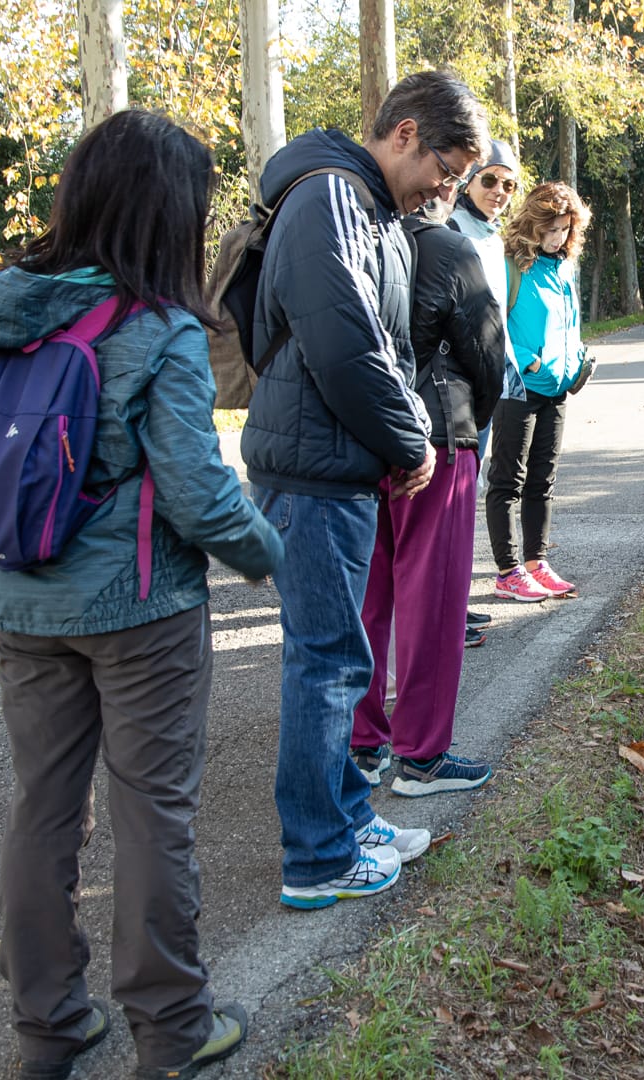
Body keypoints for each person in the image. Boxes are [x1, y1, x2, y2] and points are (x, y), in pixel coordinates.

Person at [0, 110, 282, 1080]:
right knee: (152, 817)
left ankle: (48, 1027)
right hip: (143, 613)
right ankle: (173, 1030)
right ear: (170, 213)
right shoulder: (162, 330)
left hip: (20, 599)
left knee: (44, 810)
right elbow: (198, 493)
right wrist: (276, 563)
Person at [241, 71, 491, 909]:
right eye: (448, 172)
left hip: (333, 467)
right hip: (311, 473)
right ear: (406, 133)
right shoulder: (330, 201)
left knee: (340, 658)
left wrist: (395, 435)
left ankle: (347, 817)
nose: (446, 192)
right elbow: (345, 344)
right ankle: (318, 857)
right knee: (327, 665)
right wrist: (409, 436)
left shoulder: (365, 207)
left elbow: (377, 344)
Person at [351, 191, 504, 796]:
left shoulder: (353, 238)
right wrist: (472, 419)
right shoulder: (446, 246)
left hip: (364, 434)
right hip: (438, 433)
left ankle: (364, 743)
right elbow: (487, 350)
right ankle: (423, 755)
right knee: (433, 597)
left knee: (371, 591)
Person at [484, 181, 592, 602]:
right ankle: (507, 570)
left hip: (558, 389)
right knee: (508, 479)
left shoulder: (563, 267)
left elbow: (568, 323)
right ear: (533, 222)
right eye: (551, 228)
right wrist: (530, 359)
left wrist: (578, 358)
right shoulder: (511, 264)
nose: (558, 237)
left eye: (565, 228)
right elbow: (496, 322)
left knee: (543, 481)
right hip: (518, 387)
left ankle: (536, 562)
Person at [449, 138, 523, 645]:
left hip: (489, 380)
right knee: (451, 501)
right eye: (490, 179)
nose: (499, 190)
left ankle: (452, 603)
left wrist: (509, 365)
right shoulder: (450, 228)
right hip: (456, 384)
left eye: (508, 183)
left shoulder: (493, 236)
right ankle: (442, 611)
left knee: (466, 499)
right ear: (468, 180)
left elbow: (497, 312)